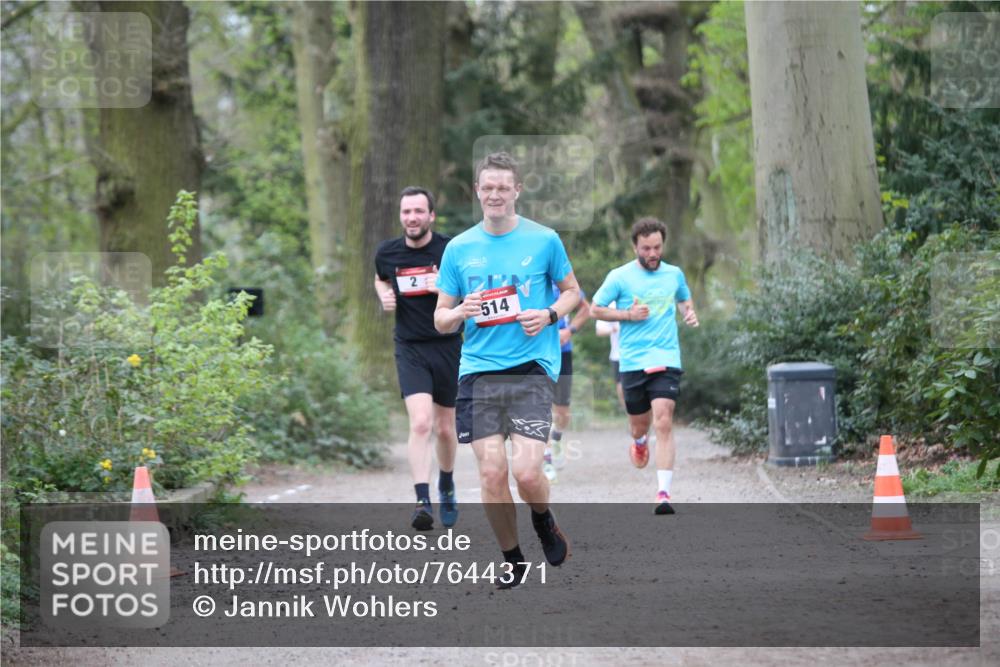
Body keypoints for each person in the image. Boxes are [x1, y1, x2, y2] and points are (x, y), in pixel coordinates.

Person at [434, 151, 581, 588]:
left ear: (517, 190)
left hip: (531, 368)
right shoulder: (459, 249)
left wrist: (550, 315)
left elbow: (572, 292)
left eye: (503, 187)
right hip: (478, 373)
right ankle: (513, 558)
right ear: (477, 191)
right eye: (488, 187)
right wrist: (459, 311)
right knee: (492, 472)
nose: (495, 194)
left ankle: (543, 518)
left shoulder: (545, 240)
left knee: (528, 474)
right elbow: (441, 319)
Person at [591, 218, 699, 515]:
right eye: (646, 248)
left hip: (666, 357)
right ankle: (639, 441)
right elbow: (595, 309)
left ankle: (663, 494)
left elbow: (685, 300)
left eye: (657, 247)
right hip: (633, 361)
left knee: (663, 420)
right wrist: (628, 315)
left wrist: (689, 314)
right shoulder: (619, 277)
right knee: (640, 424)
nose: (653, 254)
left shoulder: (674, 274)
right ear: (635, 247)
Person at [374, 186, 461, 532]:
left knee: (445, 428)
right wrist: (384, 294)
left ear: (431, 216)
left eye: (418, 211)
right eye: (406, 212)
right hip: (410, 346)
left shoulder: (450, 250)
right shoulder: (387, 252)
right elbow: (380, 279)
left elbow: (470, 291)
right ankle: (422, 501)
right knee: (422, 422)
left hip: (447, 345)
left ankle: (447, 483)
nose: (412, 218)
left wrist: (445, 289)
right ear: (401, 216)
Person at [543, 289, 591, 482]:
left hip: (562, 352)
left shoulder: (564, 283)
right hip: (537, 351)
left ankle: (556, 437)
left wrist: (569, 331)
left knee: (562, 412)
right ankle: (546, 459)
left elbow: (586, 309)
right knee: (540, 406)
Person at [594, 303, 626, 412]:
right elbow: (599, 331)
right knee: (621, 385)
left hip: (639, 352)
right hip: (617, 354)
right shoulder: (610, 305)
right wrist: (613, 329)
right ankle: (628, 413)